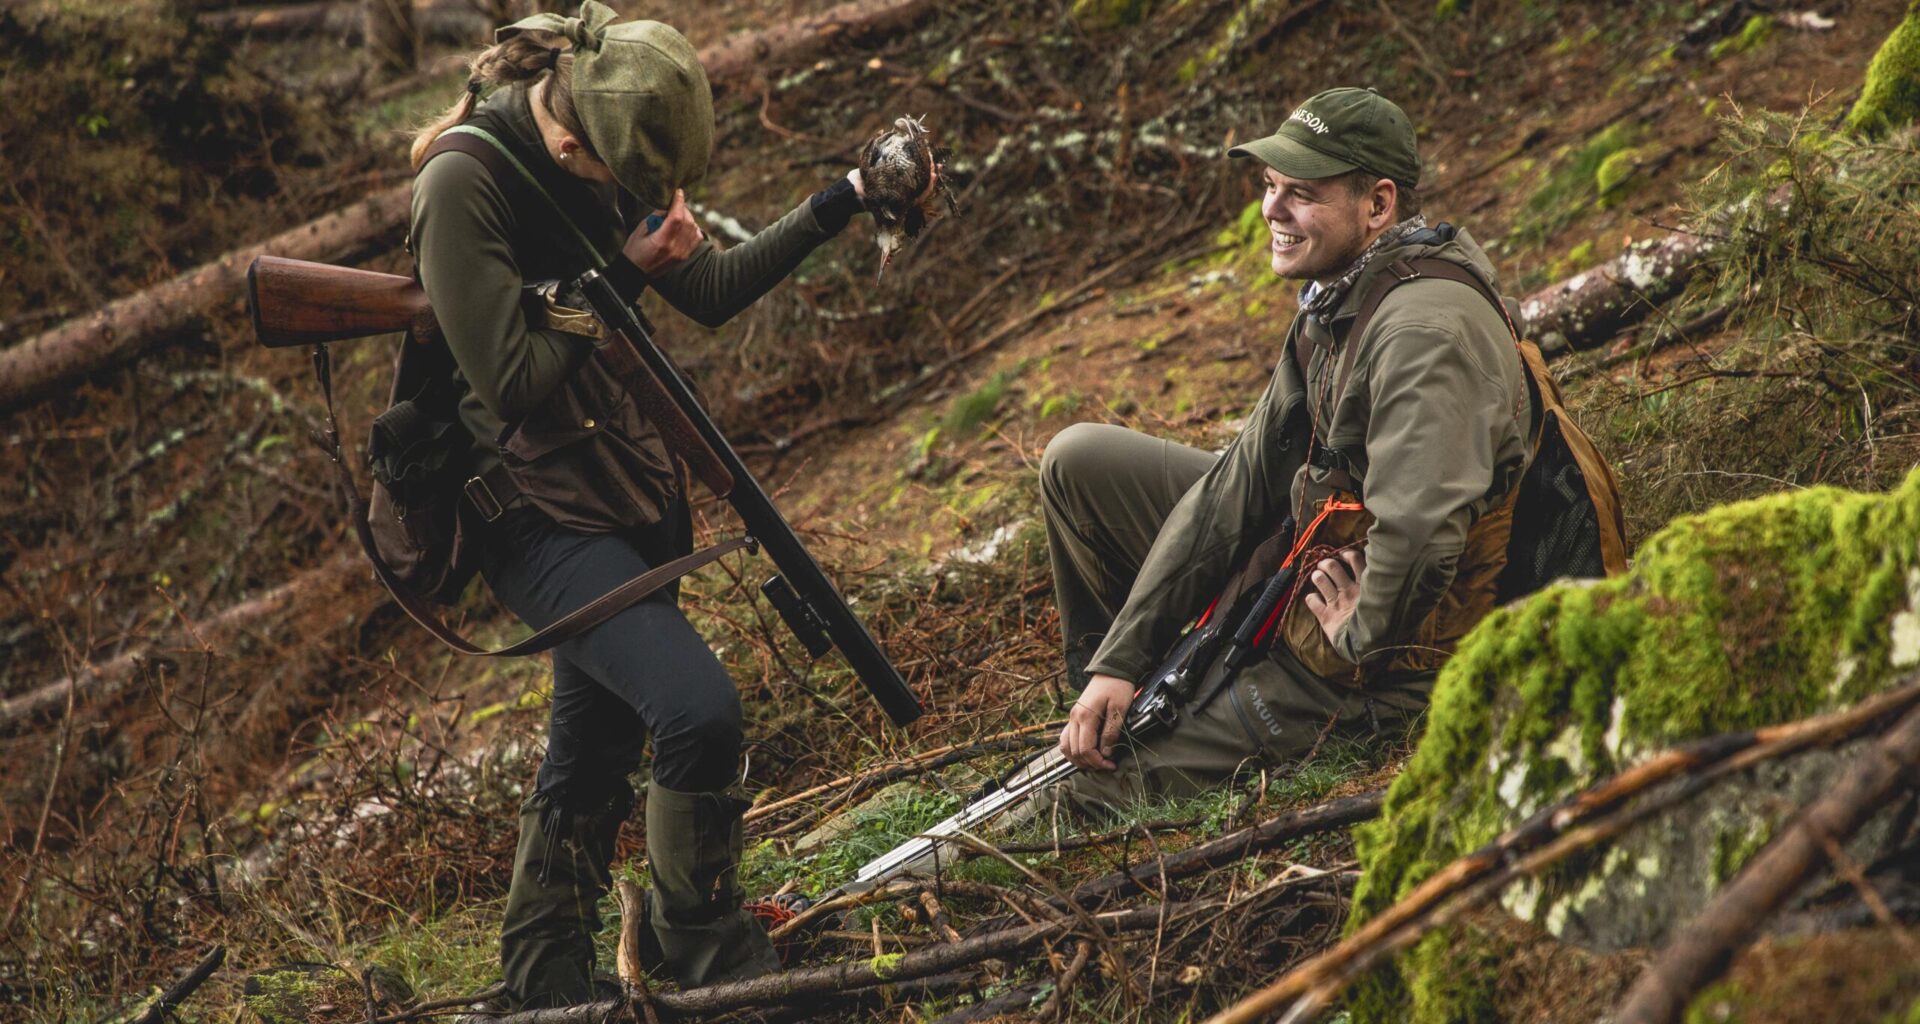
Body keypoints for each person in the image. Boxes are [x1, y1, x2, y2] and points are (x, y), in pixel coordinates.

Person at [406, 2, 899, 1007]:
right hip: (527, 511)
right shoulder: (463, 181)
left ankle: (544, 983)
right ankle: (713, 963)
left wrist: (841, 198)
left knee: (596, 746)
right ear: (574, 131)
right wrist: (624, 275)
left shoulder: (608, 140)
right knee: (697, 711)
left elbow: (708, 287)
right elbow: (510, 381)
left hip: (616, 488)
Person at [1040, 87, 1536, 816]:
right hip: (1309, 549)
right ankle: (1108, 708)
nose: (1273, 211)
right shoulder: (1343, 294)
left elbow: (1425, 538)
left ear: (1379, 205)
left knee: (1093, 795)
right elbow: (1236, 487)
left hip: (1399, 654)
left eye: (1301, 194)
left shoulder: (1423, 336)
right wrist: (1121, 662)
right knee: (1080, 461)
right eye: (1271, 187)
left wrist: (1356, 637)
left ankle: (1124, 750)